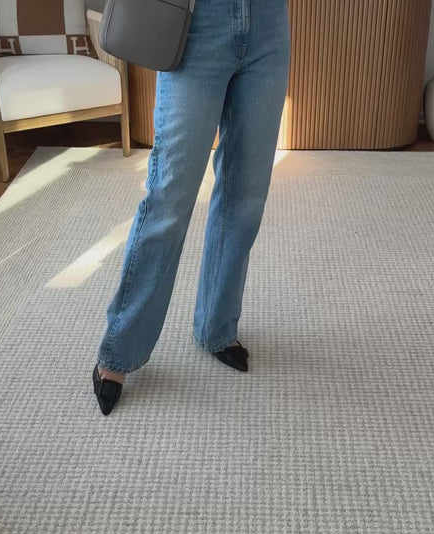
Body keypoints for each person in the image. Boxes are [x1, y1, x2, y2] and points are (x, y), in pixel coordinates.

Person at [93, 0, 291, 415]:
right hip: (196, 24)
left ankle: (217, 327)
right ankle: (120, 350)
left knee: (246, 195)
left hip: (269, 23)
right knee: (169, 198)